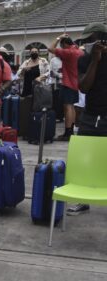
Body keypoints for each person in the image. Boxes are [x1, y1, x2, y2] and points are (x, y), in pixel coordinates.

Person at [66, 23, 107, 216]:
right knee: (85, 159)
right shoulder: (85, 59)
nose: (88, 44)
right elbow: (83, 87)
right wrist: (96, 60)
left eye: (91, 40)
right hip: (91, 115)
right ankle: (83, 200)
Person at [48, 35, 84, 140]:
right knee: (72, 106)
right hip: (76, 82)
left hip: (68, 83)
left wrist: (58, 38)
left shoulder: (68, 52)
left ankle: (67, 133)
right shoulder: (79, 51)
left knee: (67, 107)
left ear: (65, 44)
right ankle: (70, 131)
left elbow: (50, 49)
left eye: (62, 46)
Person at [49, 54, 64, 121]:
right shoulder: (53, 60)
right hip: (55, 83)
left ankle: (61, 116)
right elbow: (51, 72)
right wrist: (58, 75)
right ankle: (56, 116)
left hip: (64, 83)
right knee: (55, 100)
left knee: (62, 101)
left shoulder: (66, 59)